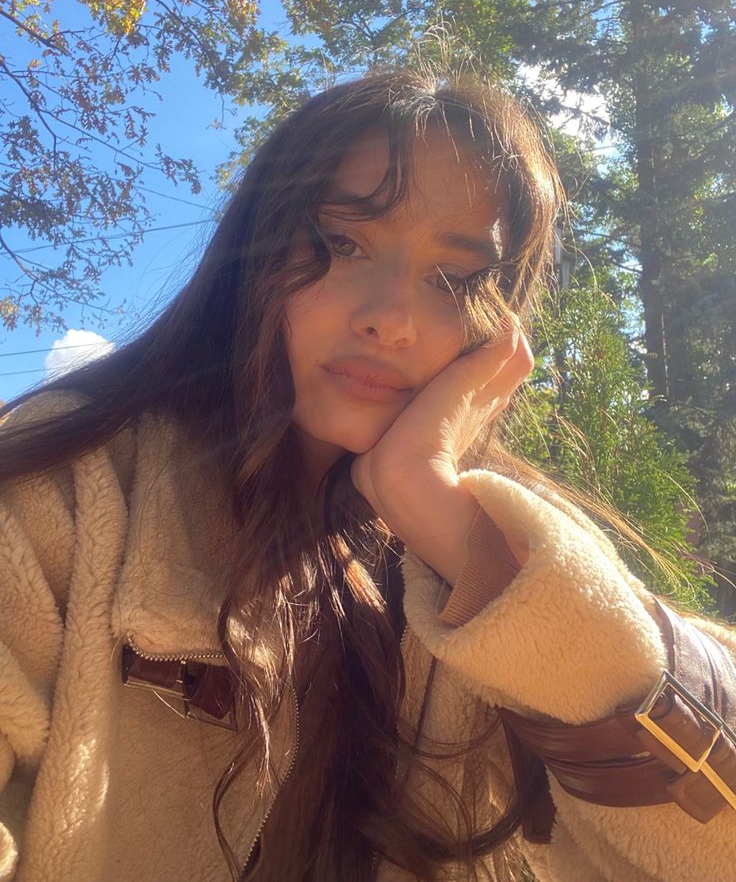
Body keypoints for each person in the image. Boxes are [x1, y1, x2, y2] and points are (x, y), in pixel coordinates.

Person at [0, 71, 734, 882]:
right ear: (256, 257)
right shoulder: (71, 484)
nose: (392, 317)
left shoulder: (510, 549)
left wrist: (471, 549)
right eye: (342, 244)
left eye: (453, 279)